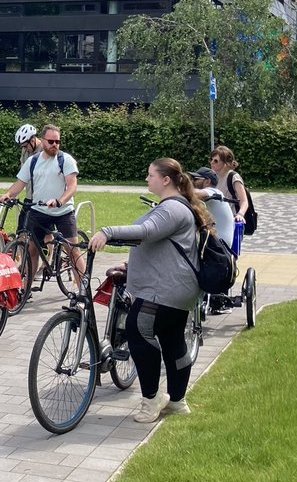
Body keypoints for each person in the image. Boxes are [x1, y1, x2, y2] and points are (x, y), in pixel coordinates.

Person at [89, 157, 209, 423]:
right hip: (178, 289)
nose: (147, 179)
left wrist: (107, 231)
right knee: (173, 340)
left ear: (166, 180)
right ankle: (177, 402)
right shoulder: (177, 206)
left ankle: (151, 400)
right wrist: (130, 265)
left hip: (164, 291)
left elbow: (145, 231)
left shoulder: (172, 209)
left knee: (138, 332)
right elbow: (162, 248)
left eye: (150, 175)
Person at [1, 124, 85, 287]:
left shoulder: (65, 160)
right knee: (31, 250)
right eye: (51, 141)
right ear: (43, 140)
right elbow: (20, 183)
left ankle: (84, 291)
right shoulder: (32, 161)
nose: (55, 145)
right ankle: (25, 290)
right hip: (38, 211)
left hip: (63, 212)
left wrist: (60, 200)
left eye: (57, 141)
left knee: (73, 251)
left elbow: (72, 186)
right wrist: (8, 195)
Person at [190, 166, 236, 313]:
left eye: (196, 179)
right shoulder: (209, 200)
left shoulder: (214, 192)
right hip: (211, 242)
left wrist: (177, 190)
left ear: (207, 181)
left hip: (218, 245)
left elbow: (199, 194)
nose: (192, 182)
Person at [210, 145, 249, 258]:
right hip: (215, 221)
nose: (212, 163)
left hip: (229, 222)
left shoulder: (233, 177)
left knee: (228, 255)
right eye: (211, 159)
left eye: (216, 161)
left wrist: (240, 214)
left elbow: (244, 201)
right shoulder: (212, 177)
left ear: (225, 163)